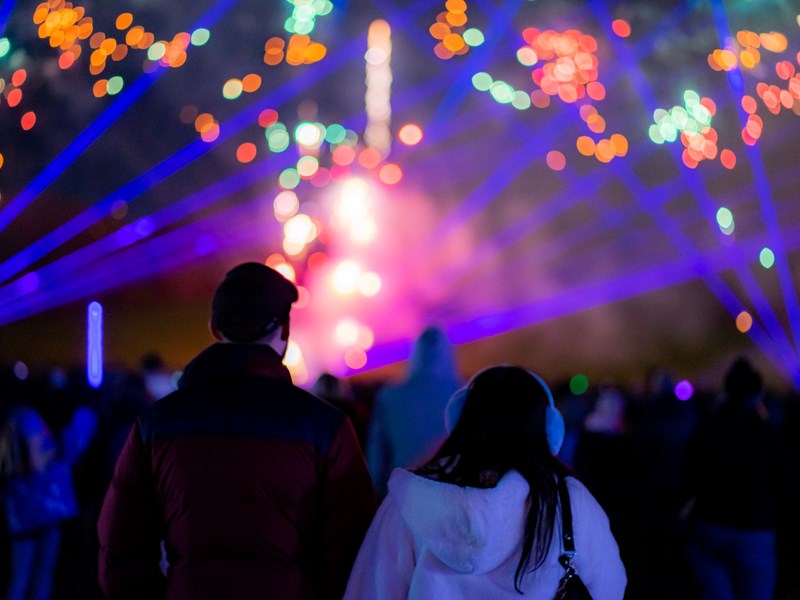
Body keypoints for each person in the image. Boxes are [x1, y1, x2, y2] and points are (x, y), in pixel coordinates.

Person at [97, 262, 375, 600]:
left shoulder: (157, 423)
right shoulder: (326, 427)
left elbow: (121, 548)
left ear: (214, 328)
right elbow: (354, 554)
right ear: (285, 332)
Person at [344, 365, 626, 599]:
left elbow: (370, 591)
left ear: (461, 420)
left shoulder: (413, 497)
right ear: (548, 428)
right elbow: (610, 588)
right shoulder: (568, 500)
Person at [683, 358, 783, 600]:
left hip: (710, 527)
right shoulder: (768, 434)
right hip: (755, 530)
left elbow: (688, 475)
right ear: (758, 394)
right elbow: (783, 482)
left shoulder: (706, 428)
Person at [366, 326, 460, 496]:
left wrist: (376, 491)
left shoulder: (390, 396)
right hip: (452, 492)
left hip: (402, 492)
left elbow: (377, 454)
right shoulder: (463, 394)